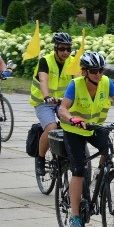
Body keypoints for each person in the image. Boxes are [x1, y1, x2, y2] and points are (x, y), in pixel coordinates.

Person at [57, 52, 114, 227]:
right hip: (74, 130)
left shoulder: (106, 83)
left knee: (109, 150)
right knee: (79, 170)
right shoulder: (76, 85)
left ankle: (99, 176)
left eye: (101, 70)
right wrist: (72, 119)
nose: (98, 74)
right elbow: (62, 109)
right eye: (94, 71)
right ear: (85, 72)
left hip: (95, 128)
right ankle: (75, 215)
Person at [30, 32, 75, 176]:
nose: (65, 52)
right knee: (51, 127)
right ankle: (41, 159)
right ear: (55, 48)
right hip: (44, 102)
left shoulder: (73, 62)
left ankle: (70, 155)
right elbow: (43, 80)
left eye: (68, 49)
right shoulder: (46, 61)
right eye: (62, 49)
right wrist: (47, 96)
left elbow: (78, 81)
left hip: (63, 102)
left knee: (75, 124)